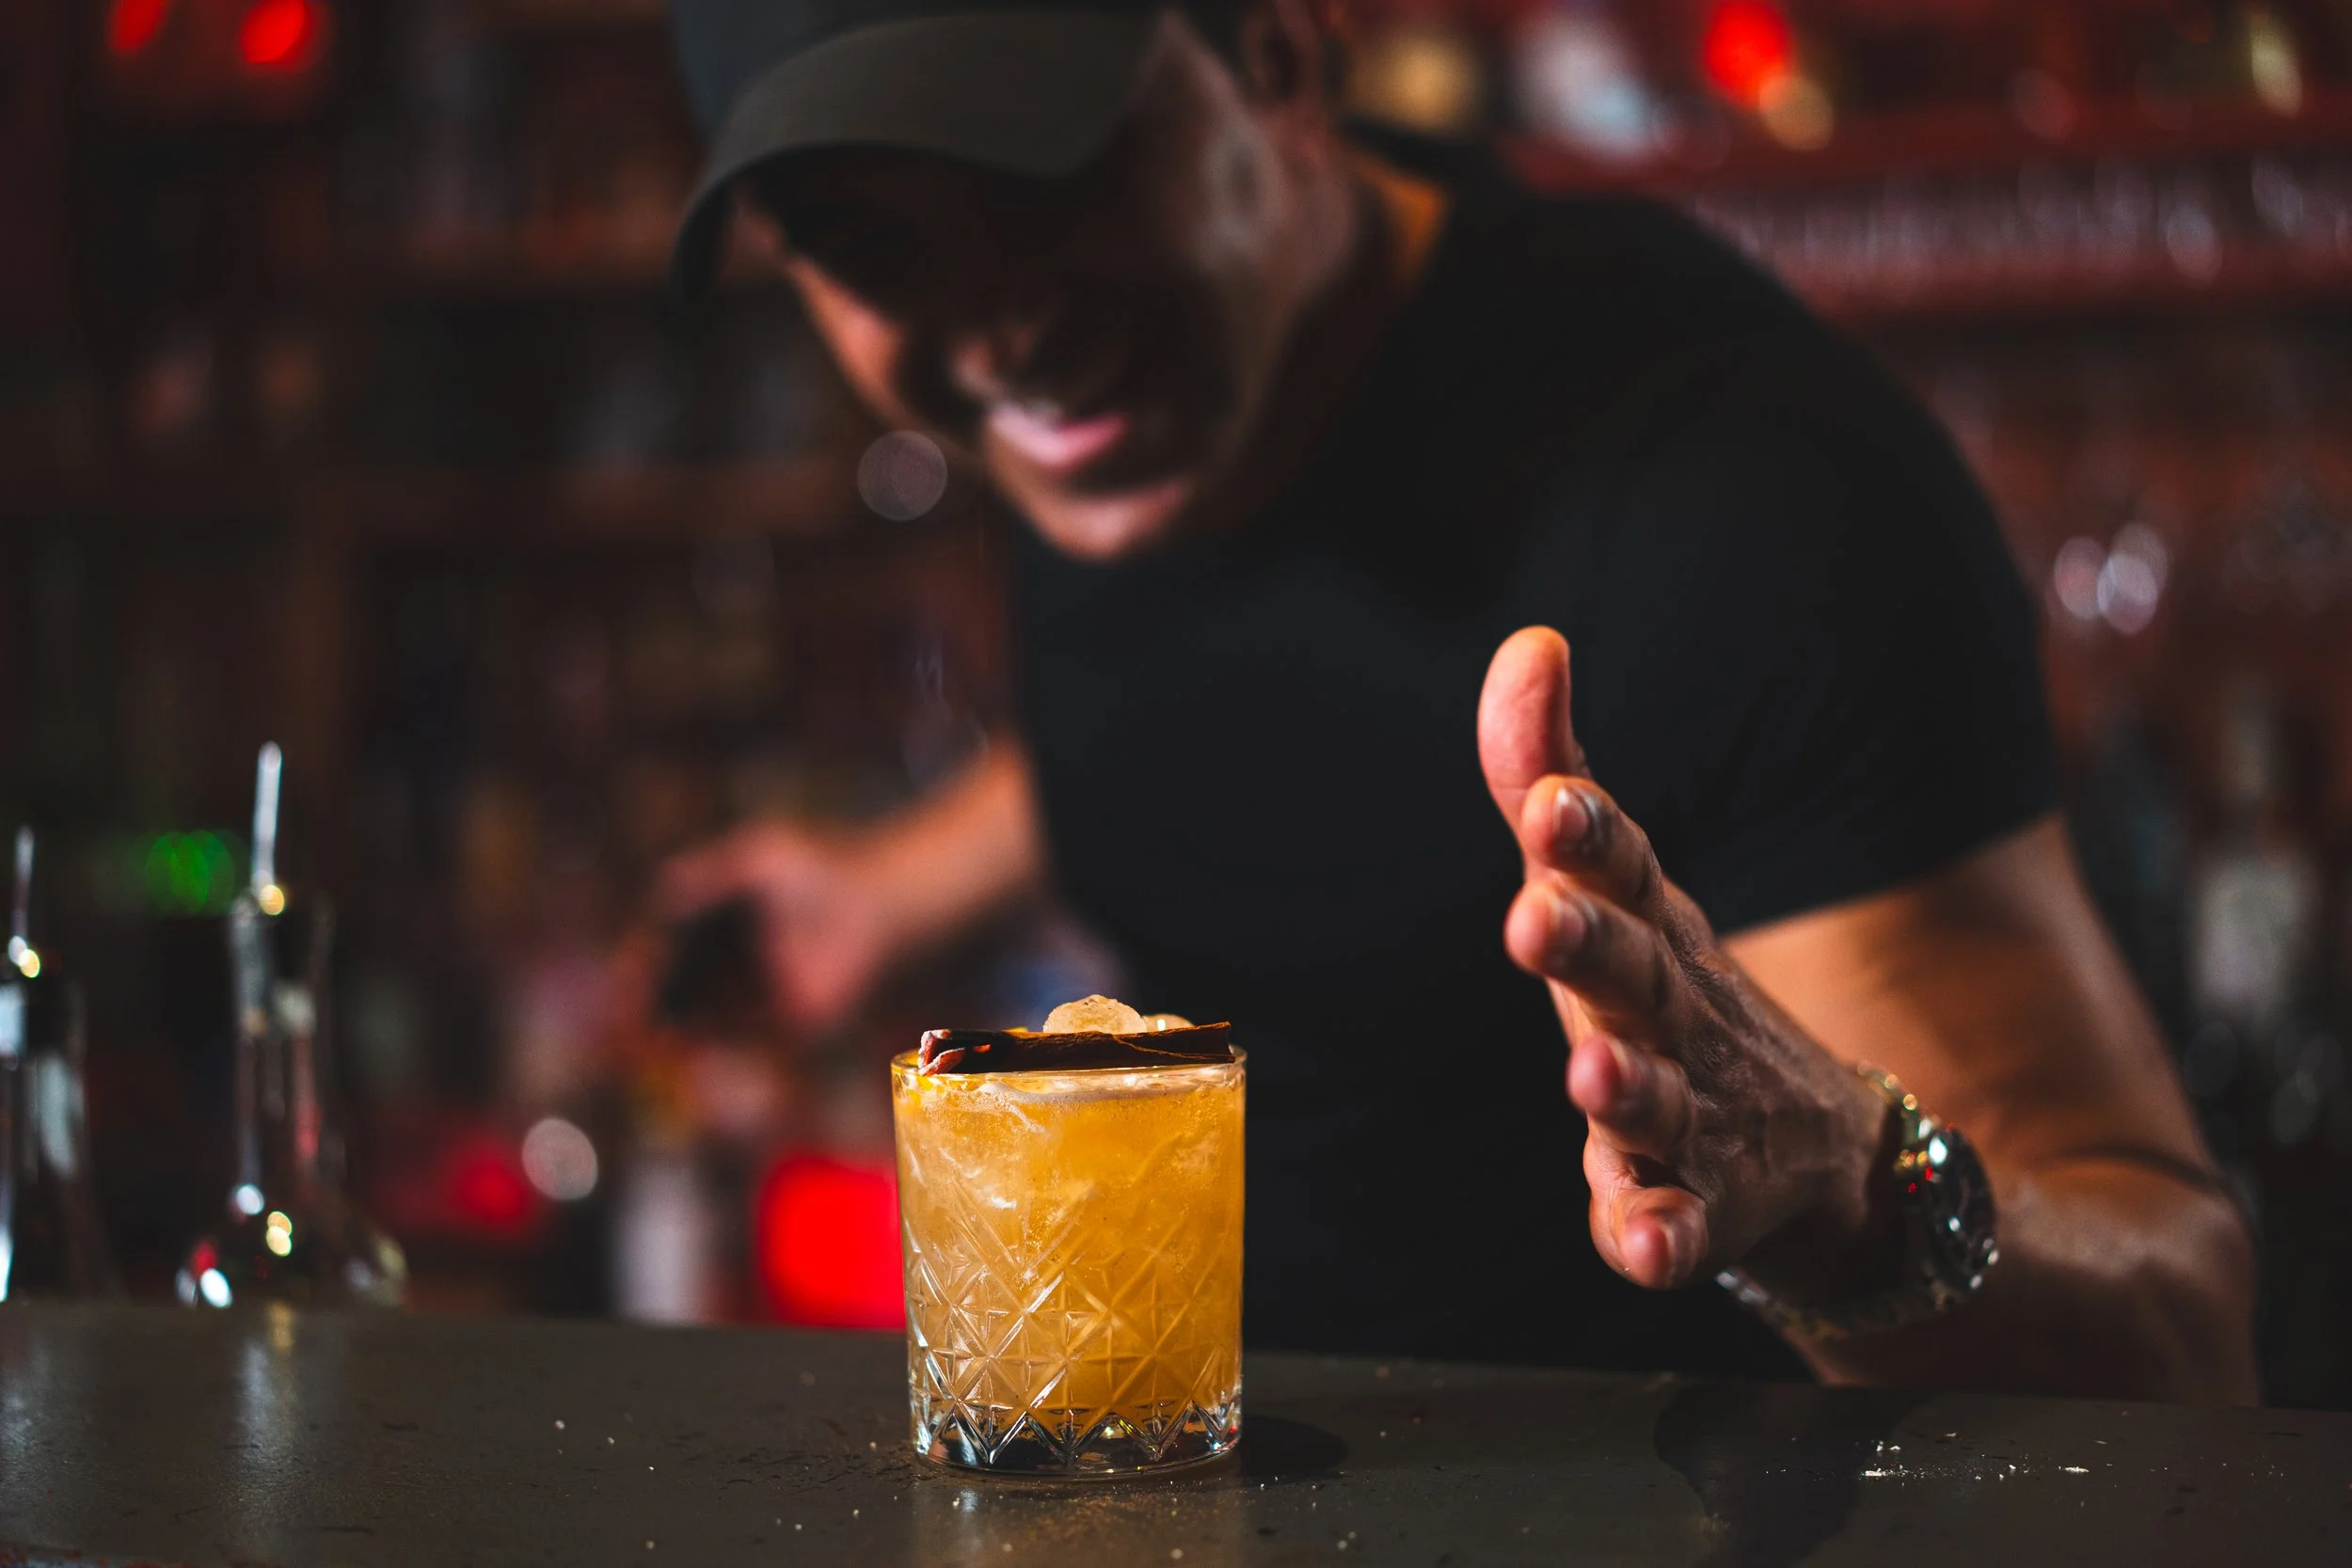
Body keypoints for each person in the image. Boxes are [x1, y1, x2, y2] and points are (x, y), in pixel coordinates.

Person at [659, 0, 2256, 1400]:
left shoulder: (1751, 496)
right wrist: (889, 885)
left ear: (1278, 53)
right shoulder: (1127, 412)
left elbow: (2180, 1348)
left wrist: (1845, 1196)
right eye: (875, 245)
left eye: (1046, 172)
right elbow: (1256, 681)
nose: (996, 318)